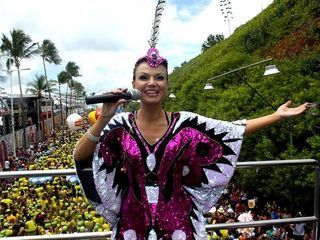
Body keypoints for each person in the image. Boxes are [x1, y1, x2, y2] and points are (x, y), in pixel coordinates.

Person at [73, 1, 309, 239]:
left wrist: (276, 116)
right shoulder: (119, 126)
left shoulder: (185, 124)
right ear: (134, 84)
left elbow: (233, 130)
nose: (152, 83)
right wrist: (104, 117)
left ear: (167, 84)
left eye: (159, 77)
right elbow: (81, 156)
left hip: (179, 225)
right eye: (144, 77)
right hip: (133, 225)